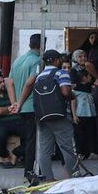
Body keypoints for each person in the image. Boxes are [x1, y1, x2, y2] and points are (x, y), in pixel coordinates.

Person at [31, 50, 81, 180]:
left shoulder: (39, 77)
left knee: (45, 150)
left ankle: (48, 179)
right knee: (67, 148)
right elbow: (65, 92)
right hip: (60, 116)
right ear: (56, 60)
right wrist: (72, 95)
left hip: (43, 118)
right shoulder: (61, 73)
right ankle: (74, 177)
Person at [11, 34, 45, 178]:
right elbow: (30, 82)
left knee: (29, 138)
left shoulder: (18, 60)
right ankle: (30, 171)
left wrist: (15, 102)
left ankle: (29, 166)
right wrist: (21, 102)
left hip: (22, 108)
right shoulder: (37, 61)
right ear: (42, 46)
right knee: (34, 140)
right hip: (30, 106)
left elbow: (9, 81)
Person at [69, 50, 98, 160]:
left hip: (89, 101)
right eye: (80, 56)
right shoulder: (73, 71)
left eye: (85, 56)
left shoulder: (90, 68)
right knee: (79, 130)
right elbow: (73, 87)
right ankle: (80, 152)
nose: (83, 58)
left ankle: (92, 151)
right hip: (79, 102)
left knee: (91, 129)